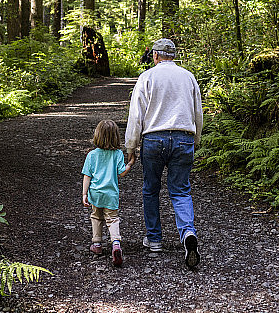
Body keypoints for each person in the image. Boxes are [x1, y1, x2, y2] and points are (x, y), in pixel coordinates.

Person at [124, 38, 203, 269]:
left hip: (153, 139)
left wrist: (131, 147)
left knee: (151, 189)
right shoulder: (188, 77)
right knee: (180, 190)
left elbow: (136, 115)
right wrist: (196, 139)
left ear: (155, 55)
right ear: (173, 56)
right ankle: (188, 233)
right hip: (183, 137)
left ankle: (155, 240)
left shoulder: (147, 77)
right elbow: (197, 112)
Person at [82, 119, 132, 267]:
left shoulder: (92, 155)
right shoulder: (117, 154)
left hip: (95, 193)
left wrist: (84, 194)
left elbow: (87, 176)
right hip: (111, 194)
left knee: (96, 217)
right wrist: (130, 163)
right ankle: (115, 244)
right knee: (112, 219)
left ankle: (97, 244)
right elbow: (121, 173)